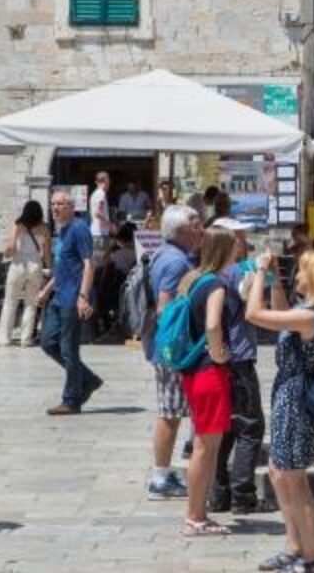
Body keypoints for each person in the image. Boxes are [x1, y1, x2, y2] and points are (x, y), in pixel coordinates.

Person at [245, 249, 314, 573]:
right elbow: (281, 315)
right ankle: (294, 546)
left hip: (297, 401)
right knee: (278, 472)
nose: (296, 275)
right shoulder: (304, 313)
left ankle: (311, 558)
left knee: (294, 479)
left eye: (300, 271)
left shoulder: (311, 318)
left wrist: (259, 272)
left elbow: (254, 314)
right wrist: (275, 280)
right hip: (288, 396)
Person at [173, 226, 242, 536]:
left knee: (206, 445)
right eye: (235, 245)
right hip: (209, 371)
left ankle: (198, 513)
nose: (239, 250)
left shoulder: (194, 279)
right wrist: (219, 353)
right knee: (205, 447)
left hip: (193, 371)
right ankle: (195, 516)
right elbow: (213, 324)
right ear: (225, 249)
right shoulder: (215, 284)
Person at [212, 219, 281, 515]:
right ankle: (243, 496)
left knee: (224, 428)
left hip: (216, 361)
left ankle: (218, 495)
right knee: (250, 427)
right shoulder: (235, 272)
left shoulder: (206, 274)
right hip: (238, 359)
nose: (245, 243)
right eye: (240, 237)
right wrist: (262, 269)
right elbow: (250, 300)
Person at [143, 205, 201, 499]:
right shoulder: (176, 262)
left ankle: (165, 474)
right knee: (170, 412)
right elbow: (164, 306)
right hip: (172, 350)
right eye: (195, 225)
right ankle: (160, 478)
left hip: (167, 347)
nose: (201, 230)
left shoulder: (166, 254)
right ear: (179, 231)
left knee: (174, 411)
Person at [37, 190, 103, 416]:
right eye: (53, 204)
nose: (55, 208)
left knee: (68, 350)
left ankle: (71, 400)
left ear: (71, 206)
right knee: (48, 342)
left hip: (73, 299)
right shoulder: (62, 231)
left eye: (60, 204)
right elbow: (62, 268)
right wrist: (46, 291)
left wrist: (83, 297)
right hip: (58, 298)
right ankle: (88, 378)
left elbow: (89, 264)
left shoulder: (79, 228)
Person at [0, 200, 51, 348]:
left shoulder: (18, 225)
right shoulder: (44, 228)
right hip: (35, 266)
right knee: (31, 303)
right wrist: (50, 269)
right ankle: (25, 339)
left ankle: (4, 338)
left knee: (10, 302)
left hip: (18, 264)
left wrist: (7, 251)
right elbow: (46, 254)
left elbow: (11, 247)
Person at [89, 172, 112, 251]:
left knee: (98, 256)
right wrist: (110, 225)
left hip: (97, 232)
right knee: (101, 257)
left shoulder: (95, 193)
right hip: (101, 233)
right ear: (106, 181)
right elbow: (98, 213)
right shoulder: (101, 194)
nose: (109, 184)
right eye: (109, 180)